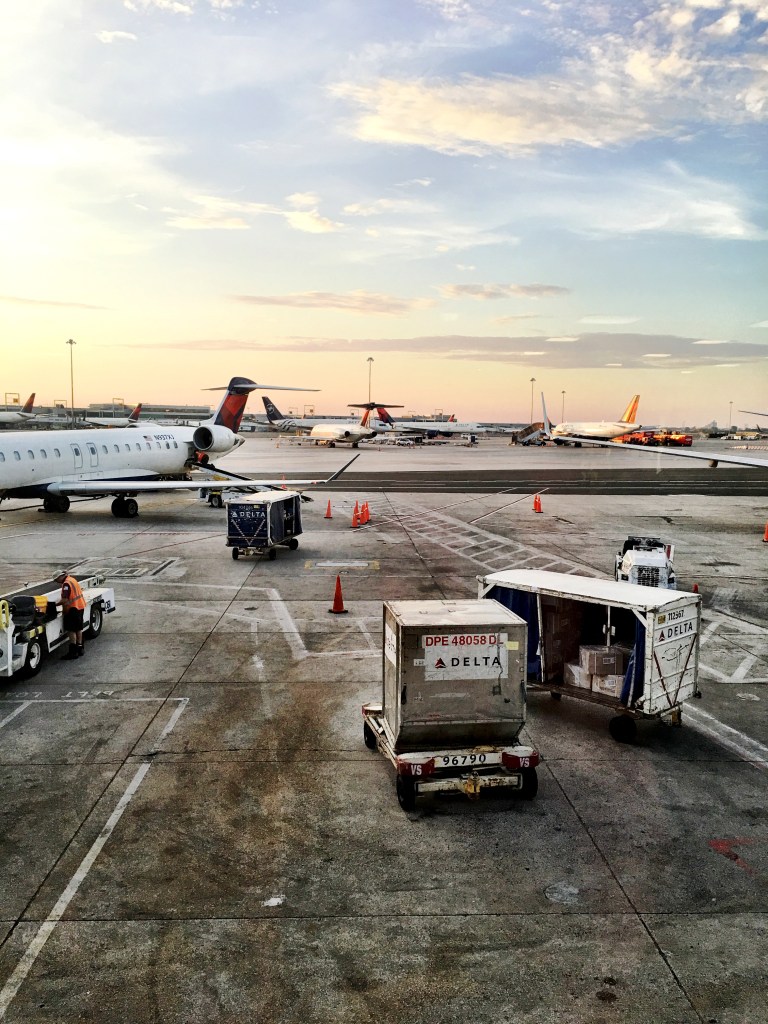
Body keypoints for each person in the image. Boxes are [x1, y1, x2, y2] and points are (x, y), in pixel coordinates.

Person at [55, 569, 86, 659]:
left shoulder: (66, 584)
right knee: (79, 628)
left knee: (71, 630)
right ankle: (80, 648)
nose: (56, 582)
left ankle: (73, 652)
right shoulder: (72, 579)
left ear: (60, 576)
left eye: (56, 580)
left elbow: (65, 599)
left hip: (73, 609)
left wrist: (54, 604)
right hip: (80, 606)